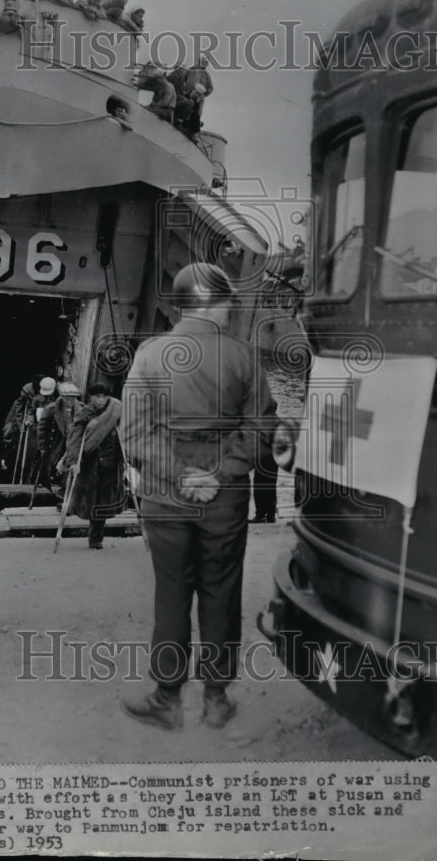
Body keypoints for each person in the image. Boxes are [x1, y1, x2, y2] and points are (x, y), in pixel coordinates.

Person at [120, 262, 277, 730]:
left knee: (171, 593)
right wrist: (217, 474)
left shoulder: (150, 354)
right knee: (221, 590)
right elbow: (261, 428)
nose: (231, 311)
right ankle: (215, 699)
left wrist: (180, 475)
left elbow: (135, 434)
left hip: (165, 498)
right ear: (213, 304)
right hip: (224, 497)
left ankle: (167, 699)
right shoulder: (245, 357)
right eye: (227, 303)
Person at [65, 381, 125, 550]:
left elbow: (124, 433)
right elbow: (74, 438)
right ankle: (93, 535)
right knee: (91, 499)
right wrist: (73, 461)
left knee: (104, 501)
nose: (101, 400)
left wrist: (126, 459)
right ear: (91, 398)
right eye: (98, 396)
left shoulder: (115, 411)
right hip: (90, 463)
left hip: (109, 462)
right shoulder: (85, 414)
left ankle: (97, 537)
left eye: (104, 396)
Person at [37, 381, 82, 490]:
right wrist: (42, 446)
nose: (70, 401)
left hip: (72, 443)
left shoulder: (82, 409)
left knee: (69, 467)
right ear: (61, 397)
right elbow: (42, 429)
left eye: (72, 398)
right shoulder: (51, 409)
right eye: (67, 398)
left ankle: (64, 489)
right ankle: (50, 486)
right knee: (51, 466)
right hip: (56, 441)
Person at [251, 431, 278, 523]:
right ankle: (270, 515)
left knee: (260, 485)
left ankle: (262, 515)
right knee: (270, 485)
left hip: (265, 454)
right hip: (272, 454)